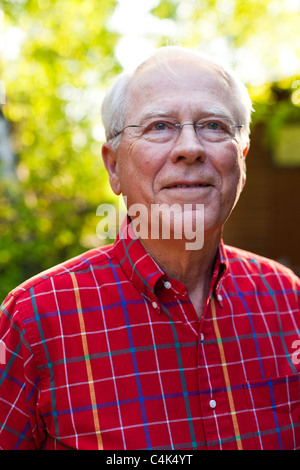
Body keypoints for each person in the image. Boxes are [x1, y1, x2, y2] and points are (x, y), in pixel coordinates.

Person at [0, 46, 299, 451]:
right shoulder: (34, 319)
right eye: (160, 126)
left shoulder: (287, 299)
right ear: (113, 167)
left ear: (241, 159)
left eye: (213, 125)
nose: (190, 148)